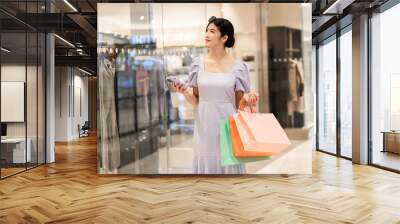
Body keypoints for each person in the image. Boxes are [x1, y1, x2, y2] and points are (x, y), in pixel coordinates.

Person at [172, 16, 259, 174]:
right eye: (206, 31)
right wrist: (184, 91)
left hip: (228, 124)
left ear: (224, 37)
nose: (206, 34)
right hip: (204, 125)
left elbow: (241, 105)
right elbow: (196, 101)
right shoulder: (197, 65)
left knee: (228, 167)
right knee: (206, 167)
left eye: (212, 31)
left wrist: (248, 98)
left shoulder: (239, 67)